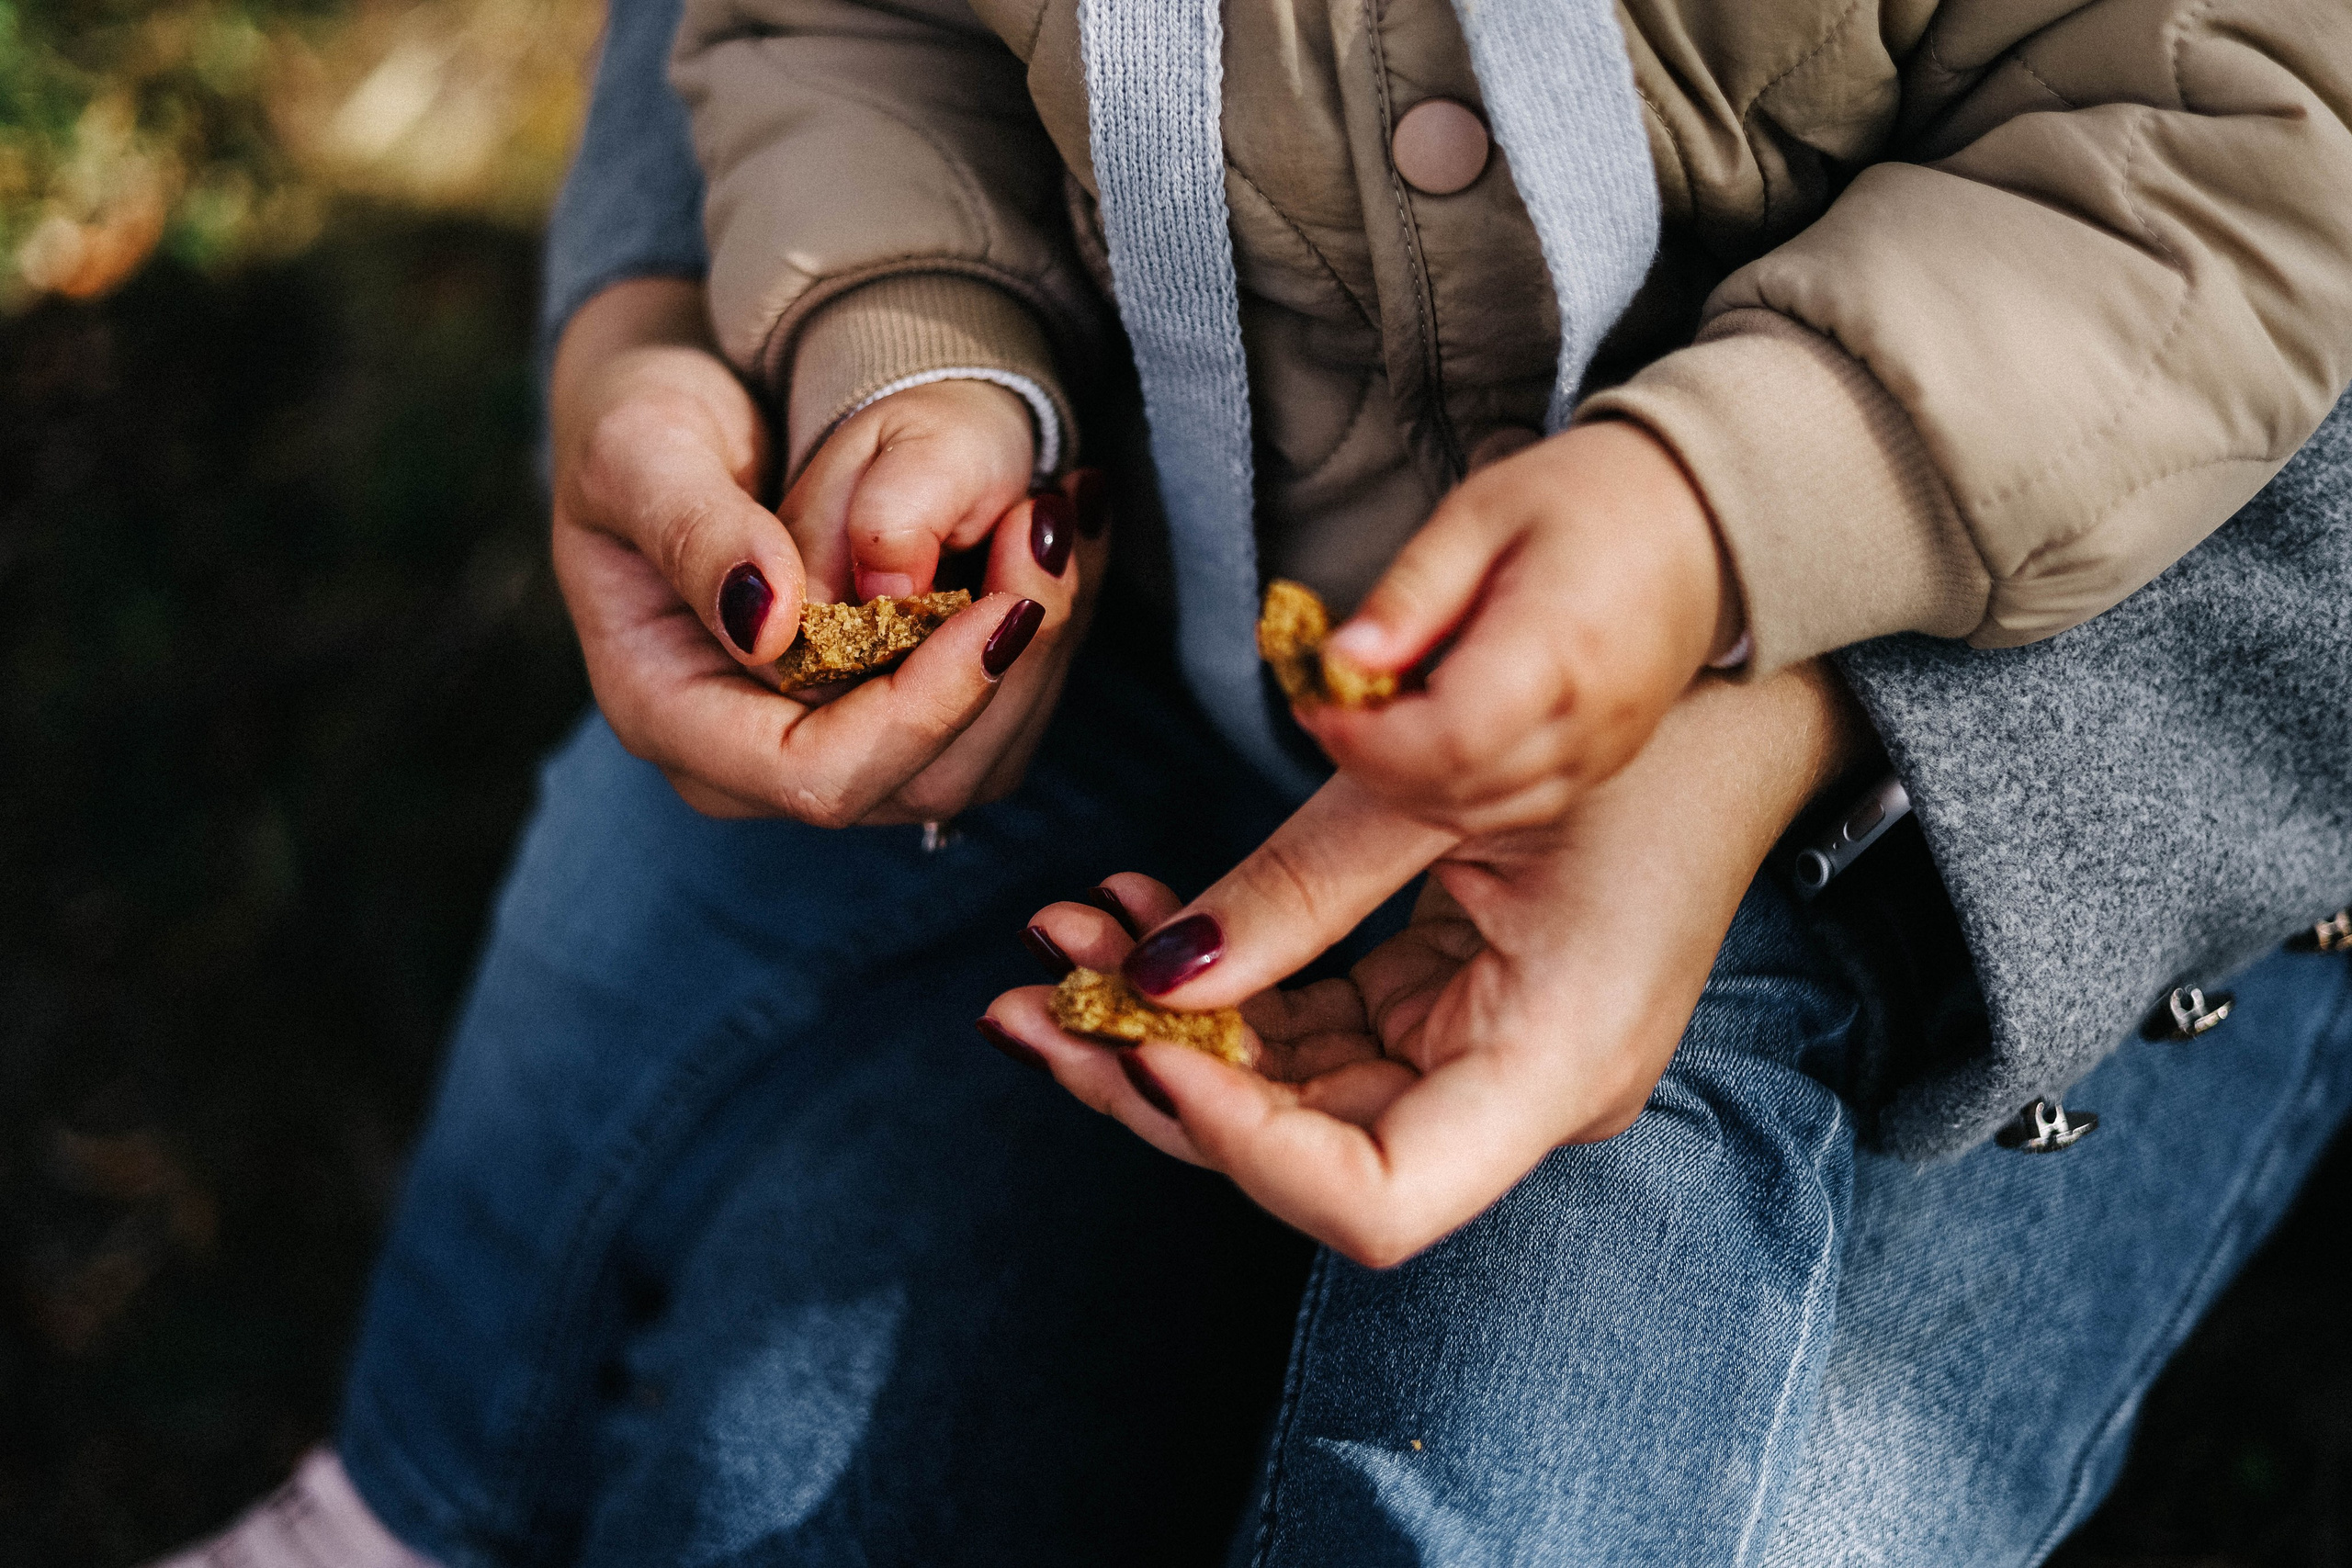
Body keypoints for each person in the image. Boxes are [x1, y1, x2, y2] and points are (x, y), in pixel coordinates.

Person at [156, 0, 2352, 1562]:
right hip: (1162, 626)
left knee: (1535, 1469)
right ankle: (409, 1491)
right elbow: (830, 31)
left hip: (1864, 748)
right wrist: (910, 349)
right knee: (674, 1037)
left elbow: (2211, 151)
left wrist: (1723, 524)